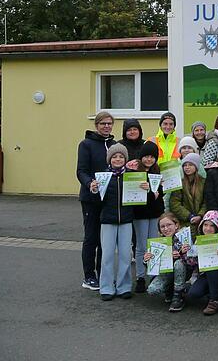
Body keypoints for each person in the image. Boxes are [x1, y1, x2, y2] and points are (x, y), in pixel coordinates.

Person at [76, 111, 116, 291]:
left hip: (108, 200)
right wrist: (89, 182)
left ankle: (103, 275)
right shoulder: (86, 145)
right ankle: (89, 276)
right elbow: (81, 171)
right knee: (91, 238)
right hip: (91, 199)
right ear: (96, 125)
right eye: (103, 124)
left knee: (105, 240)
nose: (106, 126)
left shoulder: (114, 145)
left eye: (109, 124)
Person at [97, 143, 134, 301]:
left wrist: (144, 188)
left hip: (126, 220)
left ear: (125, 159)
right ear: (109, 159)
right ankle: (106, 287)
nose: (118, 159)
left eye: (121, 156)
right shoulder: (102, 177)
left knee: (126, 255)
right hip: (108, 220)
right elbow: (97, 201)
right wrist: (93, 189)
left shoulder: (132, 176)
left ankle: (124, 286)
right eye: (114, 156)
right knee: (107, 256)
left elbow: (138, 199)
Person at [132, 141, 165, 293]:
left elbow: (160, 194)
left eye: (152, 157)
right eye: (146, 156)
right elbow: (135, 194)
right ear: (141, 157)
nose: (149, 160)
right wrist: (151, 193)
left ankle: (152, 274)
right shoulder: (134, 173)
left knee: (153, 244)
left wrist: (157, 192)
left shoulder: (157, 172)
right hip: (140, 214)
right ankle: (140, 277)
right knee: (141, 246)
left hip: (155, 214)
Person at [186, 211, 218, 315]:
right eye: (205, 225)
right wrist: (191, 253)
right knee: (193, 294)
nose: (208, 228)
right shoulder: (199, 241)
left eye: (212, 225)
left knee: (212, 267)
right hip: (203, 274)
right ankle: (209, 292)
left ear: (217, 227)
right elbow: (191, 263)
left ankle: (214, 300)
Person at [143, 213, 191, 312]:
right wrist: (146, 259)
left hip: (184, 272)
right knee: (152, 290)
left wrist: (182, 253)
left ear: (176, 225)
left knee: (179, 264)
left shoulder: (184, 238)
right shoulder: (157, 242)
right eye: (162, 226)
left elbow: (193, 261)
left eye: (169, 225)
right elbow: (151, 266)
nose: (166, 228)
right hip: (166, 273)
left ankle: (178, 294)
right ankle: (170, 290)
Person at [169, 153, 206, 234]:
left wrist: (200, 215)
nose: (187, 167)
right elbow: (174, 203)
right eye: (185, 165)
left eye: (190, 165)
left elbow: (206, 202)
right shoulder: (179, 183)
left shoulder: (204, 182)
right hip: (184, 222)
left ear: (196, 167)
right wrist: (189, 216)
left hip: (202, 221)